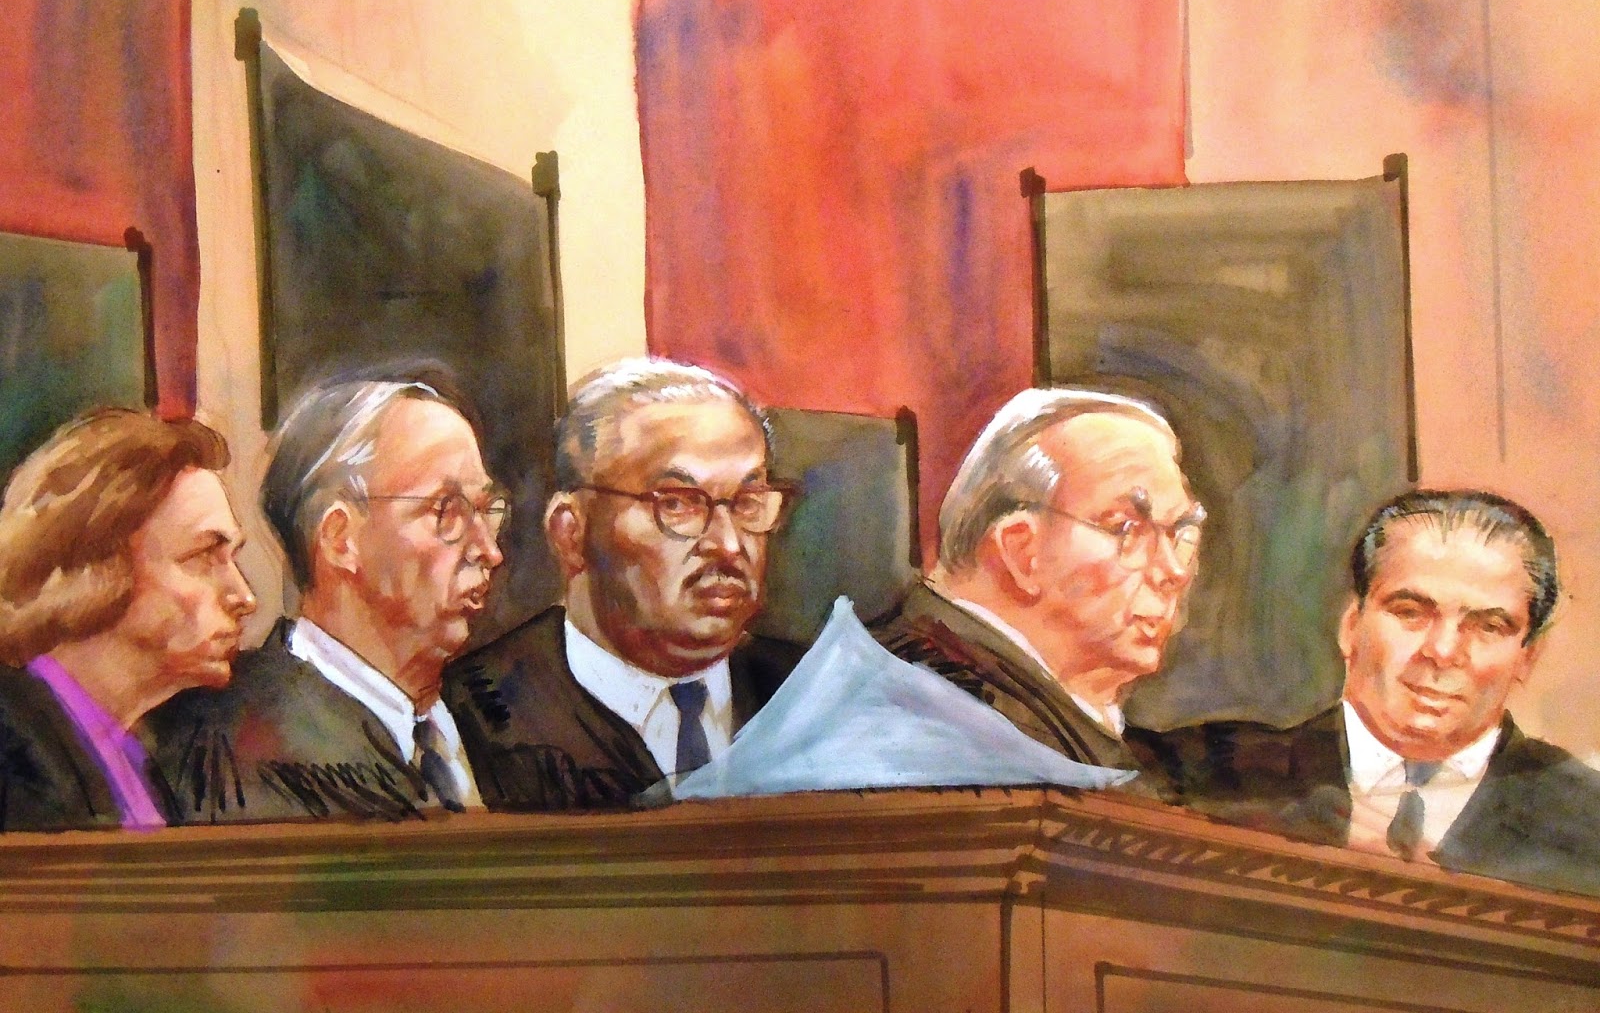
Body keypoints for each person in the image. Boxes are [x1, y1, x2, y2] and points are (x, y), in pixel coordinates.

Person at [1153, 490, 1600, 898]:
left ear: (1526, 658)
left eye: (1488, 627)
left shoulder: (1588, 822)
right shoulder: (1197, 772)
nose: (1443, 652)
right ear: (1351, 627)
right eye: (1410, 612)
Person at [443, 358, 805, 810]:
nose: (729, 545)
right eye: (677, 504)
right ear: (571, 533)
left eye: (748, 501)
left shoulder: (812, 695)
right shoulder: (467, 718)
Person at [149, 372, 506, 822]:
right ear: (340, 540)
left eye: (487, 510)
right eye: (445, 512)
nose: (489, 551)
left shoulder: (493, 725)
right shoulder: (239, 745)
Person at [871, 388, 1203, 777]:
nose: (1174, 572)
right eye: (1126, 529)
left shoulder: (1028, 712)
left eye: (1180, 533)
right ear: (1021, 551)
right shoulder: (945, 723)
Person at [0, 409, 255, 830]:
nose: (244, 597)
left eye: (231, 557)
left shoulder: (139, 755)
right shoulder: (16, 763)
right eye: (202, 556)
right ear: (98, 566)